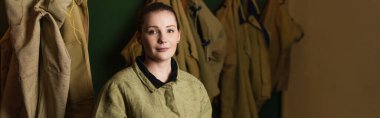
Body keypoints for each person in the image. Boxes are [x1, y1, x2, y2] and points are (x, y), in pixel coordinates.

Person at [94, 2, 212, 118]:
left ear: (178, 36)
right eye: (153, 31)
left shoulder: (195, 87)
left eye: (170, 30)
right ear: (140, 38)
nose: (163, 39)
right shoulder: (118, 87)